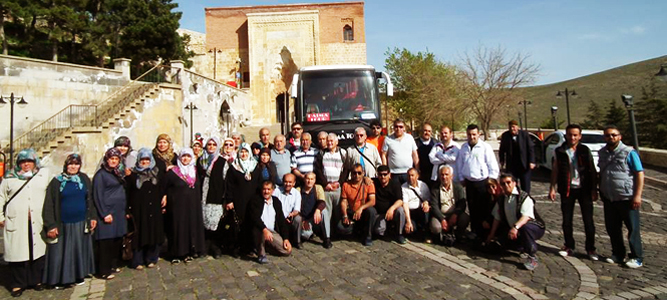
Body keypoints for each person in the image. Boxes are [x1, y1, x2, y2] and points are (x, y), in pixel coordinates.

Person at [0, 149, 50, 296]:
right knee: (17, 253)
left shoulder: (43, 175)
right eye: (23, 162)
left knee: (38, 251)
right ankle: (17, 283)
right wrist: (0, 217)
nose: (26, 164)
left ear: (35, 162)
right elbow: (1, 197)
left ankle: (36, 280)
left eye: (29, 161)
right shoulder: (9, 178)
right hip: (16, 221)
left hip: (37, 220)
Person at [43, 154, 96, 289]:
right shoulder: (57, 181)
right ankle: (61, 279)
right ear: (66, 165)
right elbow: (49, 204)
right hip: (63, 223)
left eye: (76, 164)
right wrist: (51, 225)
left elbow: (89, 199)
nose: (73, 167)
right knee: (62, 253)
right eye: (70, 164)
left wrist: (92, 217)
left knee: (78, 251)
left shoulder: (83, 179)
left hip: (80, 221)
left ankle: (79, 275)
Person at [548, 124, 599, 260]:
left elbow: (592, 170)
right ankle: (569, 246)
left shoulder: (584, 150)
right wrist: (552, 187)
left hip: (585, 189)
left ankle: (591, 249)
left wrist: (594, 188)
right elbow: (555, 170)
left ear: (580, 136)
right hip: (567, 189)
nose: (572, 137)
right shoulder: (560, 151)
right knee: (566, 220)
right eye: (570, 134)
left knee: (588, 221)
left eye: (575, 135)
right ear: (566, 135)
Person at [598, 125, 645, 268]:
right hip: (609, 197)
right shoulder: (602, 153)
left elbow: (639, 173)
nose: (611, 137)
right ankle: (618, 254)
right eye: (607, 135)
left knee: (632, 228)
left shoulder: (629, 152)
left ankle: (637, 257)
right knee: (612, 228)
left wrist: (637, 195)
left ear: (620, 136)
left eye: (613, 135)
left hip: (626, 197)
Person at [485, 174, 546, 271]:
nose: (506, 185)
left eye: (508, 182)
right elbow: (497, 217)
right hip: (514, 229)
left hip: (533, 227)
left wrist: (515, 228)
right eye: (503, 184)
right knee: (497, 246)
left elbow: (526, 217)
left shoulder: (523, 196)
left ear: (514, 183)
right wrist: (491, 235)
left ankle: (532, 256)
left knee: (526, 227)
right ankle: (521, 246)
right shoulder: (501, 199)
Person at [455, 124, 499, 240]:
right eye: (469, 134)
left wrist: (491, 181)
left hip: (482, 183)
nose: (472, 137)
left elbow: (492, 165)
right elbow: (460, 165)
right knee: (472, 208)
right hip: (469, 183)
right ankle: (474, 231)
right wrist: (461, 178)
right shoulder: (463, 148)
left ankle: (484, 232)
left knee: (483, 209)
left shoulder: (485, 147)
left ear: (479, 134)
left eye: (474, 134)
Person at [163, 148, 205, 264]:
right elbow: (164, 187)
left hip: (193, 205)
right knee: (177, 228)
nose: (186, 159)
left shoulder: (195, 171)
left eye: (188, 156)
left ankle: (189, 252)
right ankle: (176, 253)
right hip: (177, 206)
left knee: (190, 227)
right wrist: (164, 197)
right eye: (183, 156)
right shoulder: (173, 172)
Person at [125, 149, 165, 269]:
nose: (145, 162)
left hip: (154, 208)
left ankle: (151, 258)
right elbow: (127, 193)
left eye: (147, 159)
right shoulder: (133, 175)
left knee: (153, 233)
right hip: (139, 210)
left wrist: (163, 200)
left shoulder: (156, 173)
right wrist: (127, 210)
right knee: (139, 234)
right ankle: (138, 260)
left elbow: (161, 189)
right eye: (143, 160)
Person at [92, 148, 127, 280]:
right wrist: (104, 213)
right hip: (108, 213)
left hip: (118, 212)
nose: (113, 161)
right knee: (106, 242)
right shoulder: (100, 175)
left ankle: (113, 264)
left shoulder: (117, 173)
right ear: (106, 160)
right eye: (111, 159)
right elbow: (98, 195)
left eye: (116, 159)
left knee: (116, 240)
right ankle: (103, 270)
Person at [225, 143, 259, 256]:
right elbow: (229, 185)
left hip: (252, 201)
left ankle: (251, 247)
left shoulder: (255, 166)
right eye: (242, 152)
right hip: (238, 201)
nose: (244, 154)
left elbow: (259, 184)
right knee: (238, 225)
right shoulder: (234, 168)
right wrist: (229, 200)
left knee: (250, 223)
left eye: (246, 152)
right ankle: (237, 248)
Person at [197, 137, 229, 258]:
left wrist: (225, 197)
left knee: (215, 223)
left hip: (216, 195)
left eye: (213, 145)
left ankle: (216, 247)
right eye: (209, 144)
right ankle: (204, 246)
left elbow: (226, 180)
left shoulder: (222, 161)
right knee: (204, 222)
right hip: (202, 196)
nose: (211, 147)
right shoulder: (200, 160)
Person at [249, 180, 292, 264]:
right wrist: (264, 230)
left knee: (287, 251)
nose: (266, 191)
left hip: (272, 232)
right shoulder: (255, 200)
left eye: (268, 189)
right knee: (259, 230)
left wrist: (286, 239)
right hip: (260, 230)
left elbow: (281, 221)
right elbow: (255, 218)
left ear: (272, 190)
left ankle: (266, 247)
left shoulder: (276, 202)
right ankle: (261, 254)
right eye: (264, 189)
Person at [315, 133, 347, 236]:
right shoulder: (321, 153)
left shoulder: (343, 153)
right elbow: (318, 170)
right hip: (327, 188)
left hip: (338, 187)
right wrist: (325, 184)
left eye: (331, 141)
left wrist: (339, 183)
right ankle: (327, 234)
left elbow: (346, 170)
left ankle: (338, 232)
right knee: (327, 212)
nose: (329, 143)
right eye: (328, 141)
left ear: (336, 142)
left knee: (338, 211)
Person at [338, 163, 377, 246]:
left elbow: (372, 201)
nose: (357, 175)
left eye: (359, 173)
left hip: (363, 213)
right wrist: (345, 215)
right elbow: (343, 201)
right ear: (351, 174)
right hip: (352, 213)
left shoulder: (368, 184)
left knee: (372, 211)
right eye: (354, 173)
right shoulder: (346, 185)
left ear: (363, 173)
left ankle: (368, 236)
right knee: (340, 228)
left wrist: (361, 208)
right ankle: (357, 230)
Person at [429, 165, 469, 246]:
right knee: (435, 227)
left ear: (451, 176)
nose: (444, 177)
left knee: (465, 218)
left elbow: (462, 204)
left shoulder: (458, 187)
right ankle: (439, 237)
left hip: (454, 213)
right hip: (441, 214)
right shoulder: (435, 189)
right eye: (442, 175)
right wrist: (442, 219)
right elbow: (434, 206)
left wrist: (455, 215)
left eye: (446, 174)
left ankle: (459, 235)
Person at [499, 120, 536, 193]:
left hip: (524, 165)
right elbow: (502, 149)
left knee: (525, 187)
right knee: (512, 186)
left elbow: (530, 148)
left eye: (513, 127)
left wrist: (532, 161)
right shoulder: (505, 136)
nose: (512, 129)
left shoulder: (524, 134)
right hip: (512, 165)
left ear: (517, 127)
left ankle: (525, 201)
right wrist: (502, 160)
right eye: (510, 127)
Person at [372, 165, 406, 244]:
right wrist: (366, 179)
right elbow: (363, 178)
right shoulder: (374, 182)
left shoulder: (395, 184)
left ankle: (399, 234)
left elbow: (400, 201)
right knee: (378, 231)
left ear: (389, 175)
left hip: (392, 212)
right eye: (380, 175)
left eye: (385, 174)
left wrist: (392, 209)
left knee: (400, 210)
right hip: (380, 214)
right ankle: (388, 229)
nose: (382, 177)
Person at [297, 172, 331, 248]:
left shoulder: (318, 188)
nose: (309, 181)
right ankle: (311, 233)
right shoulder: (298, 190)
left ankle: (327, 239)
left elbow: (322, 202)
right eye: (307, 179)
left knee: (324, 211)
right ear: (304, 179)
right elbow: (296, 207)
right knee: (305, 235)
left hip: (316, 216)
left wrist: (318, 210)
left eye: (312, 179)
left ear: (314, 180)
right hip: (305, 219)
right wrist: (302, 220)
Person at [382, 118, 419, 185]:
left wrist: (417, 169)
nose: (398, 129)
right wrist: (385, 171)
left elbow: (415, 155)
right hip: (394, 173)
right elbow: (384, 155)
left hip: (408, 173)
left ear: (404, 128)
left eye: (401, 127)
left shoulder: (410, 138)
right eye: (396, 127)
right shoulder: (388, 139)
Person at [272, 174, 302, 248]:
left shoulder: (296, 194)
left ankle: (297, 241)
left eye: (290, 182)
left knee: (298, 219)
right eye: (285, 182)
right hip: (278, 218)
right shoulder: (276, 191)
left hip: (290, 218)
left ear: (294, 183)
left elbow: (297, 210)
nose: (287, 184)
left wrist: (291, 215)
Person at [401, 168, 430, 241]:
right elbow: (405, 204)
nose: (410, 178)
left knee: (426, 211)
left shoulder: (423, 185)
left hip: (421, 211)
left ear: (417, 176)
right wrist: (408, 221)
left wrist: (426, 203)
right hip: (410, 212)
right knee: (411, 230)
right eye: (408, 176)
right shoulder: (403, 187)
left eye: (412, 175)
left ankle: (426, 233)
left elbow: (428, 198)